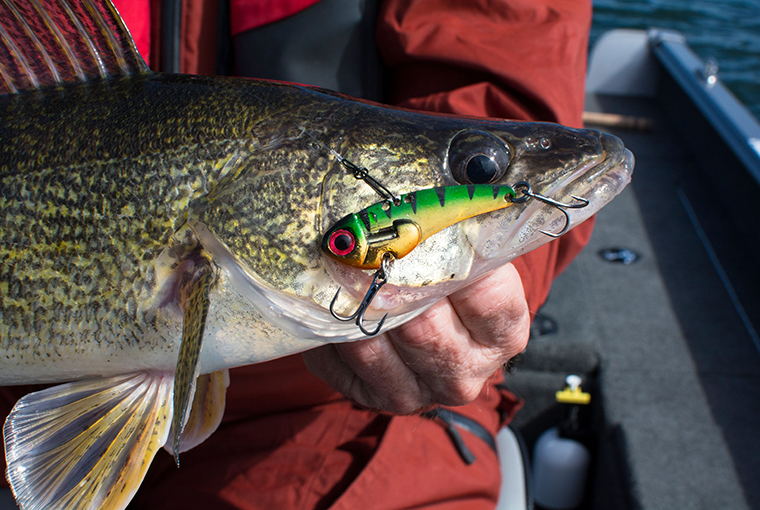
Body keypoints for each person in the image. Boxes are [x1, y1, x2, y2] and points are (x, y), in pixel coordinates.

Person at [1, 0, 594, 508]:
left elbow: (502, 52)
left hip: (319, 409)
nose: (485, 179)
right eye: (476, 168)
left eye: (477, 167)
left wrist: (474, 313)